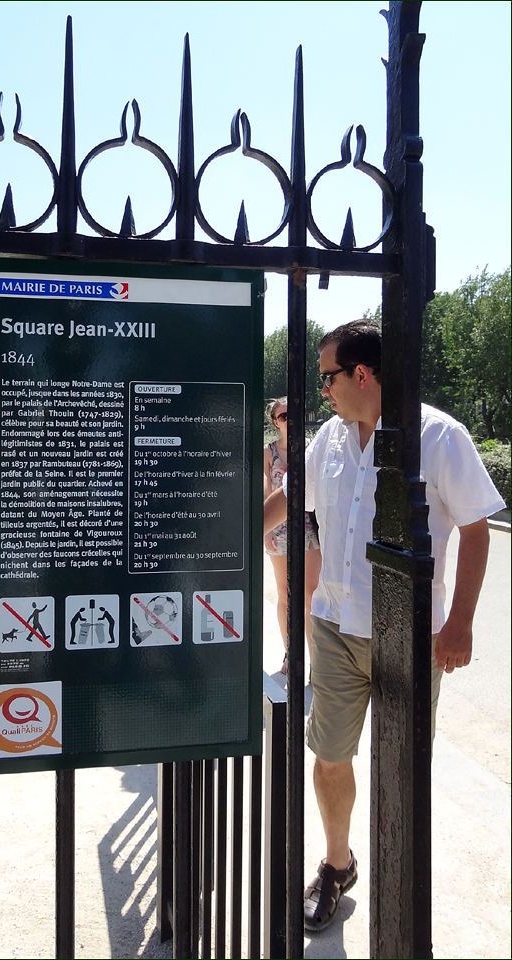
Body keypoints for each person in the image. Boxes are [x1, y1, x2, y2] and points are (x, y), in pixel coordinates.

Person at [263, 319, 506, 933]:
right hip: (333, 628)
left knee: (404, 764)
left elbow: (478, 529)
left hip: (412, 636)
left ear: (361, 374)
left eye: (328, 377)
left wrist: (461, 624)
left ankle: (401, 873)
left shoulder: (439, 436)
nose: (323, 390)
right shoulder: (328, 442)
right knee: (329, 754)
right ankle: (338, 863)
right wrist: (224, 538)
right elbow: (292, 500)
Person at [264, 397, 321, 675]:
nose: (290, 420)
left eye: (293, 414)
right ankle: (291, 654)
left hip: (309, 529)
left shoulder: (312, 448)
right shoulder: (268, 452)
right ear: (275, 422)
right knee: (286, 595)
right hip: (279, 531)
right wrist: (264, 532)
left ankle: (314, 659)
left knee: (311, 594)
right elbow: (265, 491)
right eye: (284, 416)